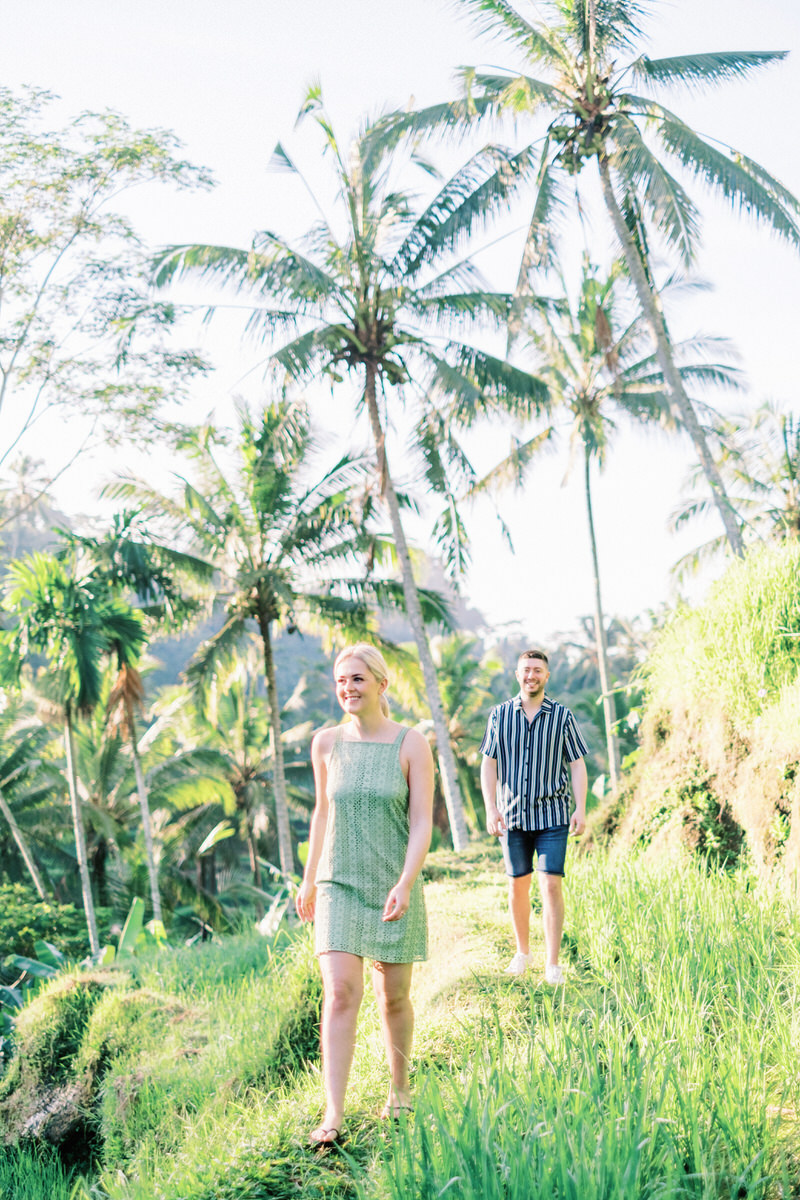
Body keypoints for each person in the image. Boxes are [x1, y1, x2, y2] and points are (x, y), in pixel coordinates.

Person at [295, 643, 434, 1147]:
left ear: (381, 684)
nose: (347, 689)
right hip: (338, 884)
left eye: (356, 679)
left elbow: (421, 824)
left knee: (392, 997)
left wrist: (405, 882)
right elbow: (322, 813)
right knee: (339, 993)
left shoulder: (411, 744)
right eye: (340, 681)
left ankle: (399, 1090)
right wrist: (310, 877)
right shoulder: (325, 744)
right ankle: (333, 1112)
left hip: (392, 882)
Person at [480, 649, 588, 983]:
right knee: (517, 886)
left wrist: (580, 808)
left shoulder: (562, 717)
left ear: (547, 676)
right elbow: (489, 763)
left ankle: (552, 965)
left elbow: (578, 764)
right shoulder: (499, 716)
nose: (531, 675)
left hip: (553, 814)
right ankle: (522, 953)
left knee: (551, 884)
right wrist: (490, 808)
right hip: (512, 815)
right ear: (517, 674)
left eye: (537, 670)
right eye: (526, 670)